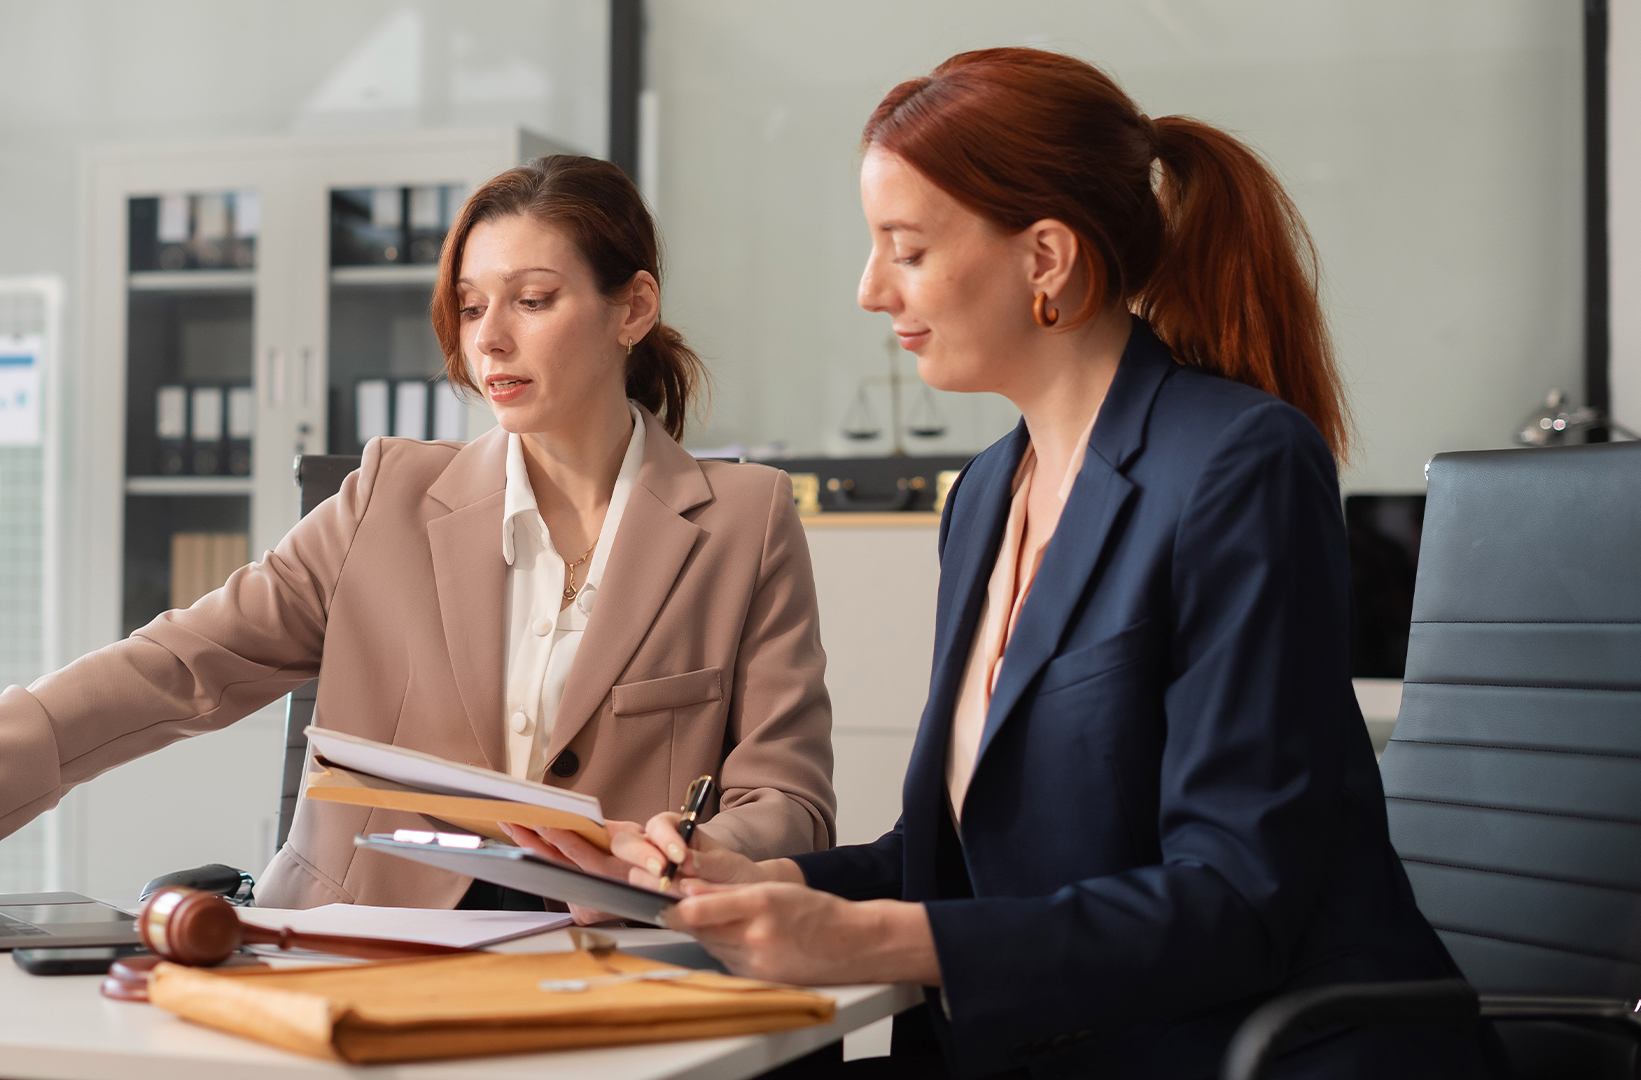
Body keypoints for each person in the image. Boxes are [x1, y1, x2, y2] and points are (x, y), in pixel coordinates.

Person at [613, 49, 1496, 1078]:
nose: (868, 290)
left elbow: (1236, 893)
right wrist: (771, 880)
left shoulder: (1238, 463)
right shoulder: (987, 492)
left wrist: (877, 941)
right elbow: (958, 858)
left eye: (905, 249)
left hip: (1243, 1053)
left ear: (1046, 258)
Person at [0, 155, 837, 915]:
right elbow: (183, 662)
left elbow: (786, 793)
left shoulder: (742, 521)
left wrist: (688, 851)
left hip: (612, 962)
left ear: (632, 309)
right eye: (470, 305)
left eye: (533, 300)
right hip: (361, 945)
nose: (489, 338)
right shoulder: (391, 494)